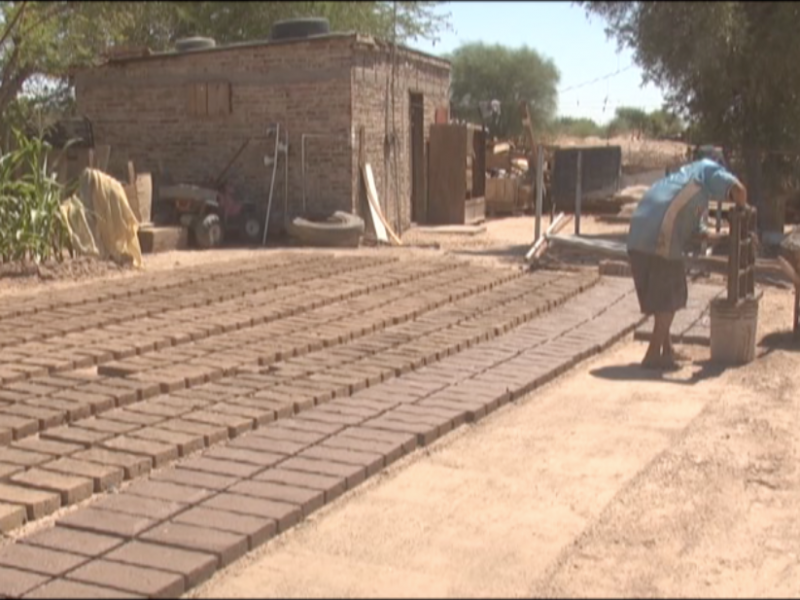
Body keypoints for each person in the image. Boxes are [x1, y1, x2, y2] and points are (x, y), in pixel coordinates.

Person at [627, 147, 748, 369]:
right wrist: (743, 212)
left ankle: (668, 350)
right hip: (660, 238)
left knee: (662, 297)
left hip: (637, 237)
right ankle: (653, 353)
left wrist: (723, 237)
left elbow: (699, 232)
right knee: (670, 300)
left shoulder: (684, 183)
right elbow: (739, 190)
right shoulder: (707, 169)